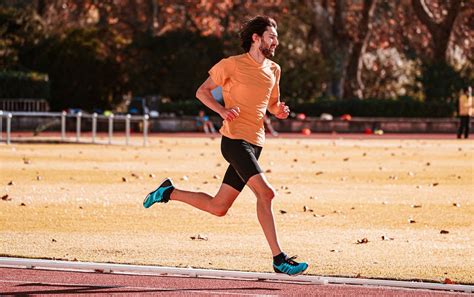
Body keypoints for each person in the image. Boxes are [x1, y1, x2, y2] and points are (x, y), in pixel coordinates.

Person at [143, 16, 308, 275]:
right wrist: (222, 110)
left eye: (276, 37)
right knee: (267, 194)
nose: (276, 41)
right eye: (271, 36)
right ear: (256, 38)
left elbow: (273, 105)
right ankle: (279, 259)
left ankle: (167, 192)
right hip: (234, 141)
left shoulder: (274, 70)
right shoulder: (231, 65)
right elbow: (202, 91)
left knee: (218, 207)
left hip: (256, 143)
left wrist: (280, 111)